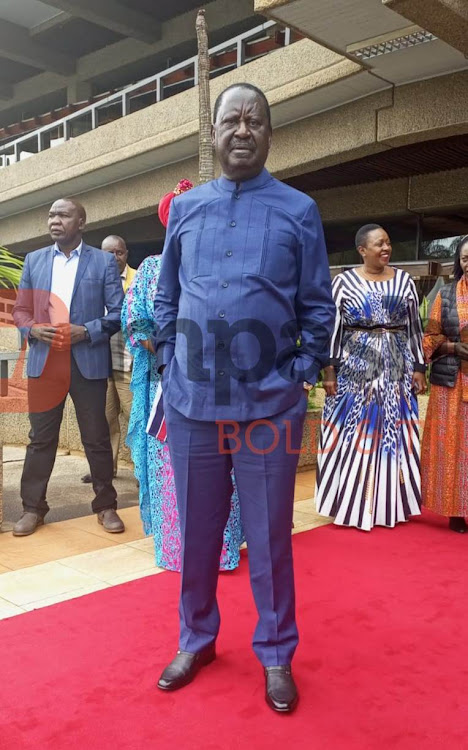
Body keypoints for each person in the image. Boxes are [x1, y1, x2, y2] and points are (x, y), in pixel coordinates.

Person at [154, 83, 335, 713]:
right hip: (192, 405)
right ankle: (197, 639)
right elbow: (166, 297)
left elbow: (318, 306)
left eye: (253, 121)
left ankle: (277, 651)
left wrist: (301, 374)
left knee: (269, 535)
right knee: (197, 536)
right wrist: (167, 359)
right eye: (230, 119)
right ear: (214, 131)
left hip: (269, 407)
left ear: (268, 133)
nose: (241, 130)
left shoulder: (298, 210)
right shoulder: (188, 210)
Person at [121, 180, 243, 571]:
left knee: (223, 467)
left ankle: (222, 550)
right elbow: (139, 324)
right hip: (170, 383)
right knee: (173, 467)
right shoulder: (152, 268)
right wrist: (178, 360)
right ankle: (177, 549)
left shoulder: (228, 264)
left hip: (223, 383)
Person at [12, 198, 125, 536]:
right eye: (51, 215)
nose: (54, 220)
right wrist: (32, 329)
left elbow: (118, 313)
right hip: (45, 364)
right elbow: (20, 311)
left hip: (86, 361)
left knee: (96, 438)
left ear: (82, 222)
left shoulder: (103, 262)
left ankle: (106, 506)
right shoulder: (34, 260)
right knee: (40, 439)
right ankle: (33, 509)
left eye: (62, 215)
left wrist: (86, 331)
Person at [315, 224, 426, 530]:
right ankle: (350, 504)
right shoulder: (344, 282)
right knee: (354, 433)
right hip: (354, 367)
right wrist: (329, 370)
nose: (386, 248)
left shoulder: (404, 281)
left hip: (396, 368)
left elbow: (414, 328)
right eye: (379, 244)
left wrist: (418, 367)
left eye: (388, 243)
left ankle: (389, 505)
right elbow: (332, 330)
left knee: (394, 429)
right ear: (362, 250)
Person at [421, 236, 468, 533]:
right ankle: (454, 510)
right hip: (451, 383)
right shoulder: (447, 295)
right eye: (465, 258)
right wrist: (453, 348)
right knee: (452, 448)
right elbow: (430, 339)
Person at [81, 235, 136, 483]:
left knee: (136, 418)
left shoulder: (139, 280)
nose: (114, 258)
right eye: (108, 253)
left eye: (119, 253)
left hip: (129, 364)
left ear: (126, 254)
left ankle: (143, 472)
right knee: (104, 420)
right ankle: (105, 470)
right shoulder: (92, 282)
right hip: (100, 366)